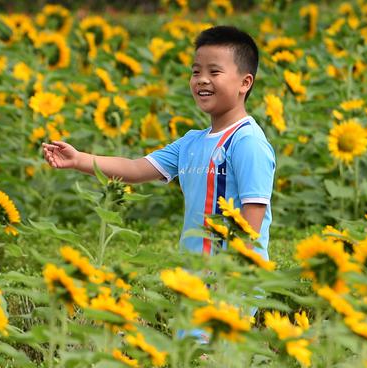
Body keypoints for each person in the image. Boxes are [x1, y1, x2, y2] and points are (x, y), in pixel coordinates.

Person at [41, 26, 276, 263]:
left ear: (245, 83)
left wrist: (232, 272)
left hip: (233, 284)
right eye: (196, 72)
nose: (202, 80)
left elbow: (251, 220)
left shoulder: (247, 142)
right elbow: (135, 169)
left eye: (214, 72)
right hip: (195, 280)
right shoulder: (191, 142)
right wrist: (79, 159)